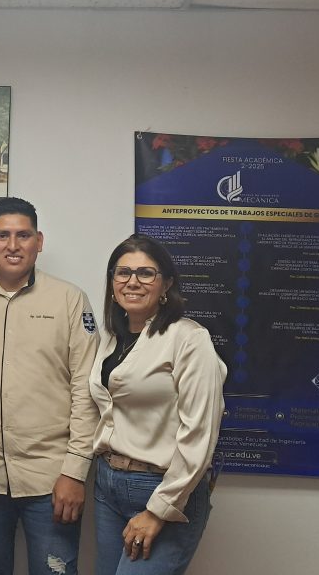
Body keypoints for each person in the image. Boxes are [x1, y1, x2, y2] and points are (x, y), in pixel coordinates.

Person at [0, 197, 101, 575]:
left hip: (52, 480)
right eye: (2, 235)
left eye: (23, 235)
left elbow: (87, 391)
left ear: (39, 241)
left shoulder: (70, 300)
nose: (13, 245)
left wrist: (75, 472)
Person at [89, 233, 226, 575]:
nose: (132, 281)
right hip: (108, 484)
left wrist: (159, 509)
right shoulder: (112, 338)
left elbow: (200, 433)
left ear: (166, 284)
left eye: (146, 273)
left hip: (162, 487)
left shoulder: (190, 339)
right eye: (123, 272)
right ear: (112, 283)